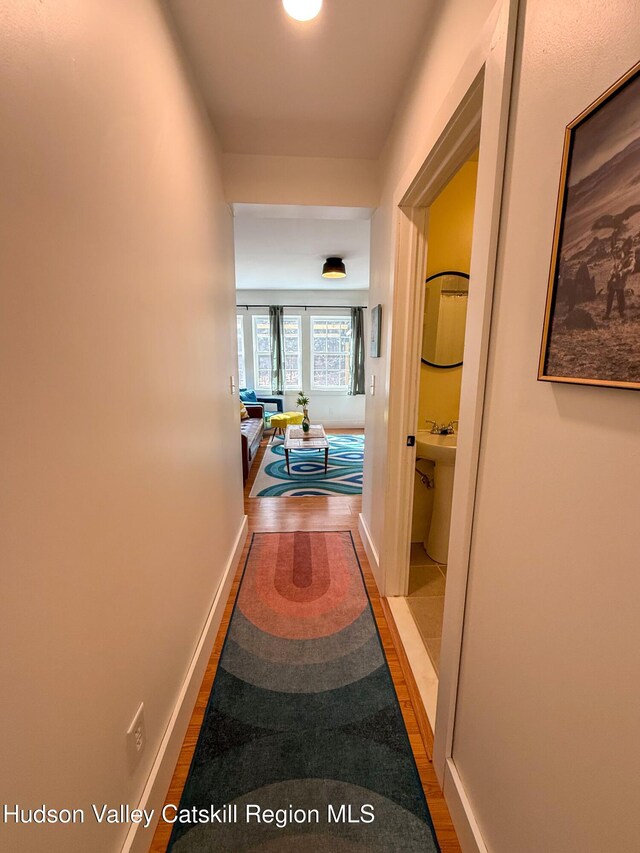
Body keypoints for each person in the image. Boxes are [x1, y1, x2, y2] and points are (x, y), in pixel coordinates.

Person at [605, 237, 634, 319]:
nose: (625, 248)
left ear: (629, 247)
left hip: (620, 280)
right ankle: (607, 314)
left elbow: (630, 268)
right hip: (613, 279)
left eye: (627, 247)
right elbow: (614, 262)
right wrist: (613, 271)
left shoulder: (631, 257)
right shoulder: (620, 255)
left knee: (620, 297)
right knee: (610, 297)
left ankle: (622, 313)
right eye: (625, 246)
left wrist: (621, 273)